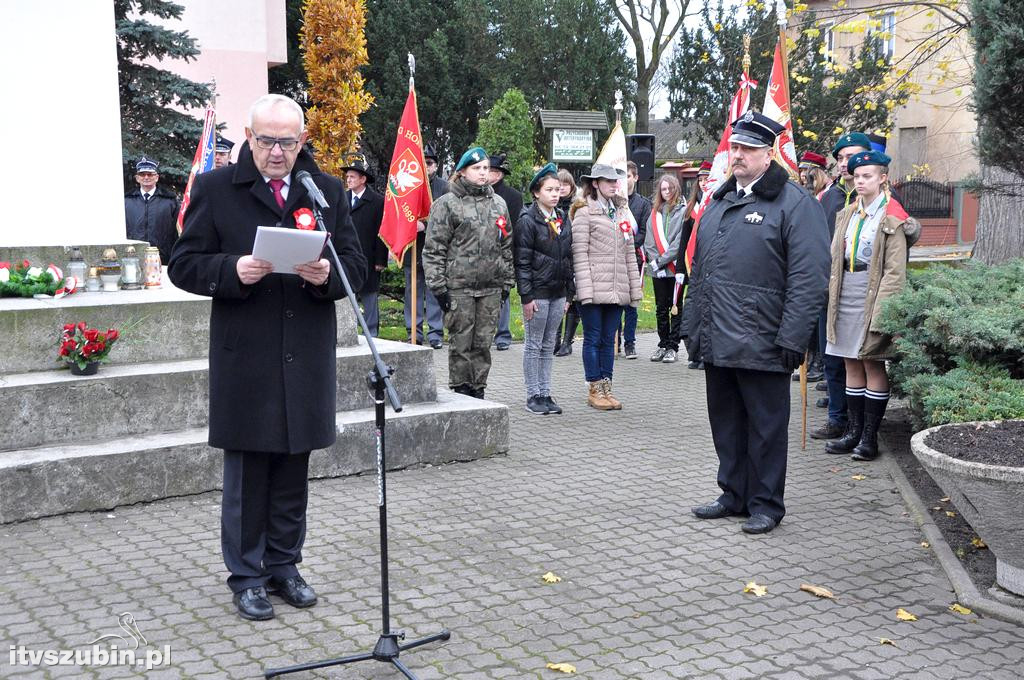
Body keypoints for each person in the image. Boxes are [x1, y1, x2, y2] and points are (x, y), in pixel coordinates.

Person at [167, 94, 366, 621]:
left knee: (292, 469)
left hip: (304, 352)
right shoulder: (216, 188)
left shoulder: (321, 189)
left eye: (288, 141)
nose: (277, 153)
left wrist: (328, 277)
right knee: (249, 473)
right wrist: (234, 270)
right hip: (247, 355)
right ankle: (247, 576)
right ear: (249, 139)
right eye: (266, 140)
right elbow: (183, 264)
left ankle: (284, 566)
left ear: (302, 142)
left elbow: (354, 261)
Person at [683, 111, 830, 534]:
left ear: (770, 154)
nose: (739, 154)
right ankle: (733, 494)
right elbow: (702, 271)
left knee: (765, 427)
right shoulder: (720, 200)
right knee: (726, 421)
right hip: (718, 335)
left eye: (749, 148)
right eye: (736, 146)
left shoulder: (795, 204)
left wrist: (793, 337)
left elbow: (809, 278)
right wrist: (693, 326)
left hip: (764, 338)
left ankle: (766, 504)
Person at [824, 150, 914, 461]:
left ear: (882, 178)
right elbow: (836, 258)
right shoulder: (848, 213)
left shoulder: (892, 216)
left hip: (873, 293)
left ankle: (869, 437)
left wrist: (883, 311)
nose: (860, 181)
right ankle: (852, 430)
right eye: (857, 176)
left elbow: (894, 271)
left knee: (871, 361)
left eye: (867, 176)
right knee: (849, 361)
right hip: (845, 291)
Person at [424, 147, 514, 399]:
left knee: (483, 344)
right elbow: (434, 249)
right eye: (477, 168)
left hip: (491, 287)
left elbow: (505, 245)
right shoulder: (446, 204)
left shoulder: (498, 204)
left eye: (486, 168)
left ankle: (479, 391)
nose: (483, 173)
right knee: (461, 344)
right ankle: (461, 394)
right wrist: (438, 287)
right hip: (459, 287)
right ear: (462, 172)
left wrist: (507, 281)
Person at [810, 132, 871, 440]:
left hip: (860, 289)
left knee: (859, 360)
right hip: (829, 288)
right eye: (842, 158)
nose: (846, 163)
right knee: (831, 357)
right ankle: (837, 418)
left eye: (853, 156)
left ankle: (857, 425)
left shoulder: (878, 196)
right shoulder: (831, 196)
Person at [571, 163, 642, 410]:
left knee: (609, 339)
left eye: (616, 181)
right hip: (593, 288)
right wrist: (585, 290)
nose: (614, 185)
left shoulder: (622, 211)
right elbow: (579, 253)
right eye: (608, 181)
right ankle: (594, 387)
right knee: (592, 338)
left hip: (617, 289)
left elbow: (630, 255)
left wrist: (634, 290)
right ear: (595, 183)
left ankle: (607, 387)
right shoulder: (584, 212)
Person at [514, 163, 574, 415]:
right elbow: (522, 261)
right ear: (536, 192)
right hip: (537, 292)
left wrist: (569, 292)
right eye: (549, 189)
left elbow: (568, 256)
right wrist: (526, 296)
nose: (554, 194)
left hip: (558, 292)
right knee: (534, 344)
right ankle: (533, 395)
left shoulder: (561, 217)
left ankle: (546, 392)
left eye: (557, 190)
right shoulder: (528, 221)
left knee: (550, 344)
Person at [403, 143, 446, 348]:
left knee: (434, 292)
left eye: (429, 163)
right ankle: (414, 332)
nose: (426, 166)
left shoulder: (445, 188)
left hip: (436, 251)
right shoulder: (408, 184)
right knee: (413, 292)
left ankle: (435, 334)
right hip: (413, 247)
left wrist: (426, 224)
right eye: (422, 163)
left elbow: (447, 218)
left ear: (435, 166)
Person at [643, 174, 686, 363]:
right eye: (663, 189)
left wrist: (661, 260)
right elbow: (649, 241)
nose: (666, 192)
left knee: (675, 307)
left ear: (676, 188)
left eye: (669, 188)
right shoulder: (654, 213)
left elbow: (679, 242)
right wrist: (655, 261)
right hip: (658, 270)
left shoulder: (684, 211)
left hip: (675, 268)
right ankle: (663, 343)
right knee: (661, 307)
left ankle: (673, 346)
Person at [343, 157, 387, 336]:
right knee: (347, 296)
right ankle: (348, 333)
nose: (348, 180)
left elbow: (382, 232)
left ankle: (372, 334)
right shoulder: (343, 198)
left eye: (352, 177)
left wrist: (380, 260)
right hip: (346, 257)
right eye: (347, 177)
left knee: (369, 296)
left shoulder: (377, 201)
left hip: (369, 257)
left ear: (363, 179)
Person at [488, 153, 522, 351]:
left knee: (503, 294)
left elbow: (514, 228)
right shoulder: (479, 193)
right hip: (480, 252)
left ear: (499, 174)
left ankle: (503, 335)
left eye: (490, 171)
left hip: (504, 252)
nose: (486, 174)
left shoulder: (513, 196)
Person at [621, 161, 652, 359]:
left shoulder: (642, 204)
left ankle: (629, 342)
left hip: (635, 258)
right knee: (616, 302)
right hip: (616, 258)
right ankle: (613, 341)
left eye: (628, 176)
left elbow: (643, 231)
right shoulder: (614, 201)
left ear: (635, 178)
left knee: (631, 304)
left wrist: (630, 245)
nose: (625, 180)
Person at [124, 156, 179, 263]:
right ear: (137, 178)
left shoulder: (170, 201)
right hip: (133, 257)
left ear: (157, 177)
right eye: (142, 174)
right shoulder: (127, 201)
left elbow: (177, 231)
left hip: (163, 258)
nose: (146, 177)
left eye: (150, 174)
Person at [554, 168, 580, 357]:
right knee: (557, 297)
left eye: (565, 184)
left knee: (572, 298)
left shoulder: (578, 205)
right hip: (555, 255)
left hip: (573, 254)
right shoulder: (552, 205)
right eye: (558, 184)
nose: (562, 188)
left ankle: (567, 341)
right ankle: (554, 339)